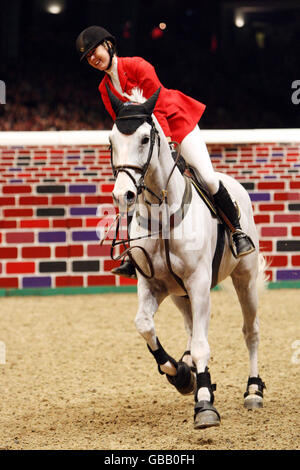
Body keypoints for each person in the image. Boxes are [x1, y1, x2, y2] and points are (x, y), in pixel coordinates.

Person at [76, 26, 255, 278]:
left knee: (208, 178)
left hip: (178, 124)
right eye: (88, 58)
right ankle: (132, 252)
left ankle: (237, 233)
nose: (94, 59)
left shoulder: (138, 66)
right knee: (132, 189)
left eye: (95, 51)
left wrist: (170, 143)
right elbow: (124, 124)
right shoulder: (104, 89)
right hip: (150, 140)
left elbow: (158, 107)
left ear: (109, 45)